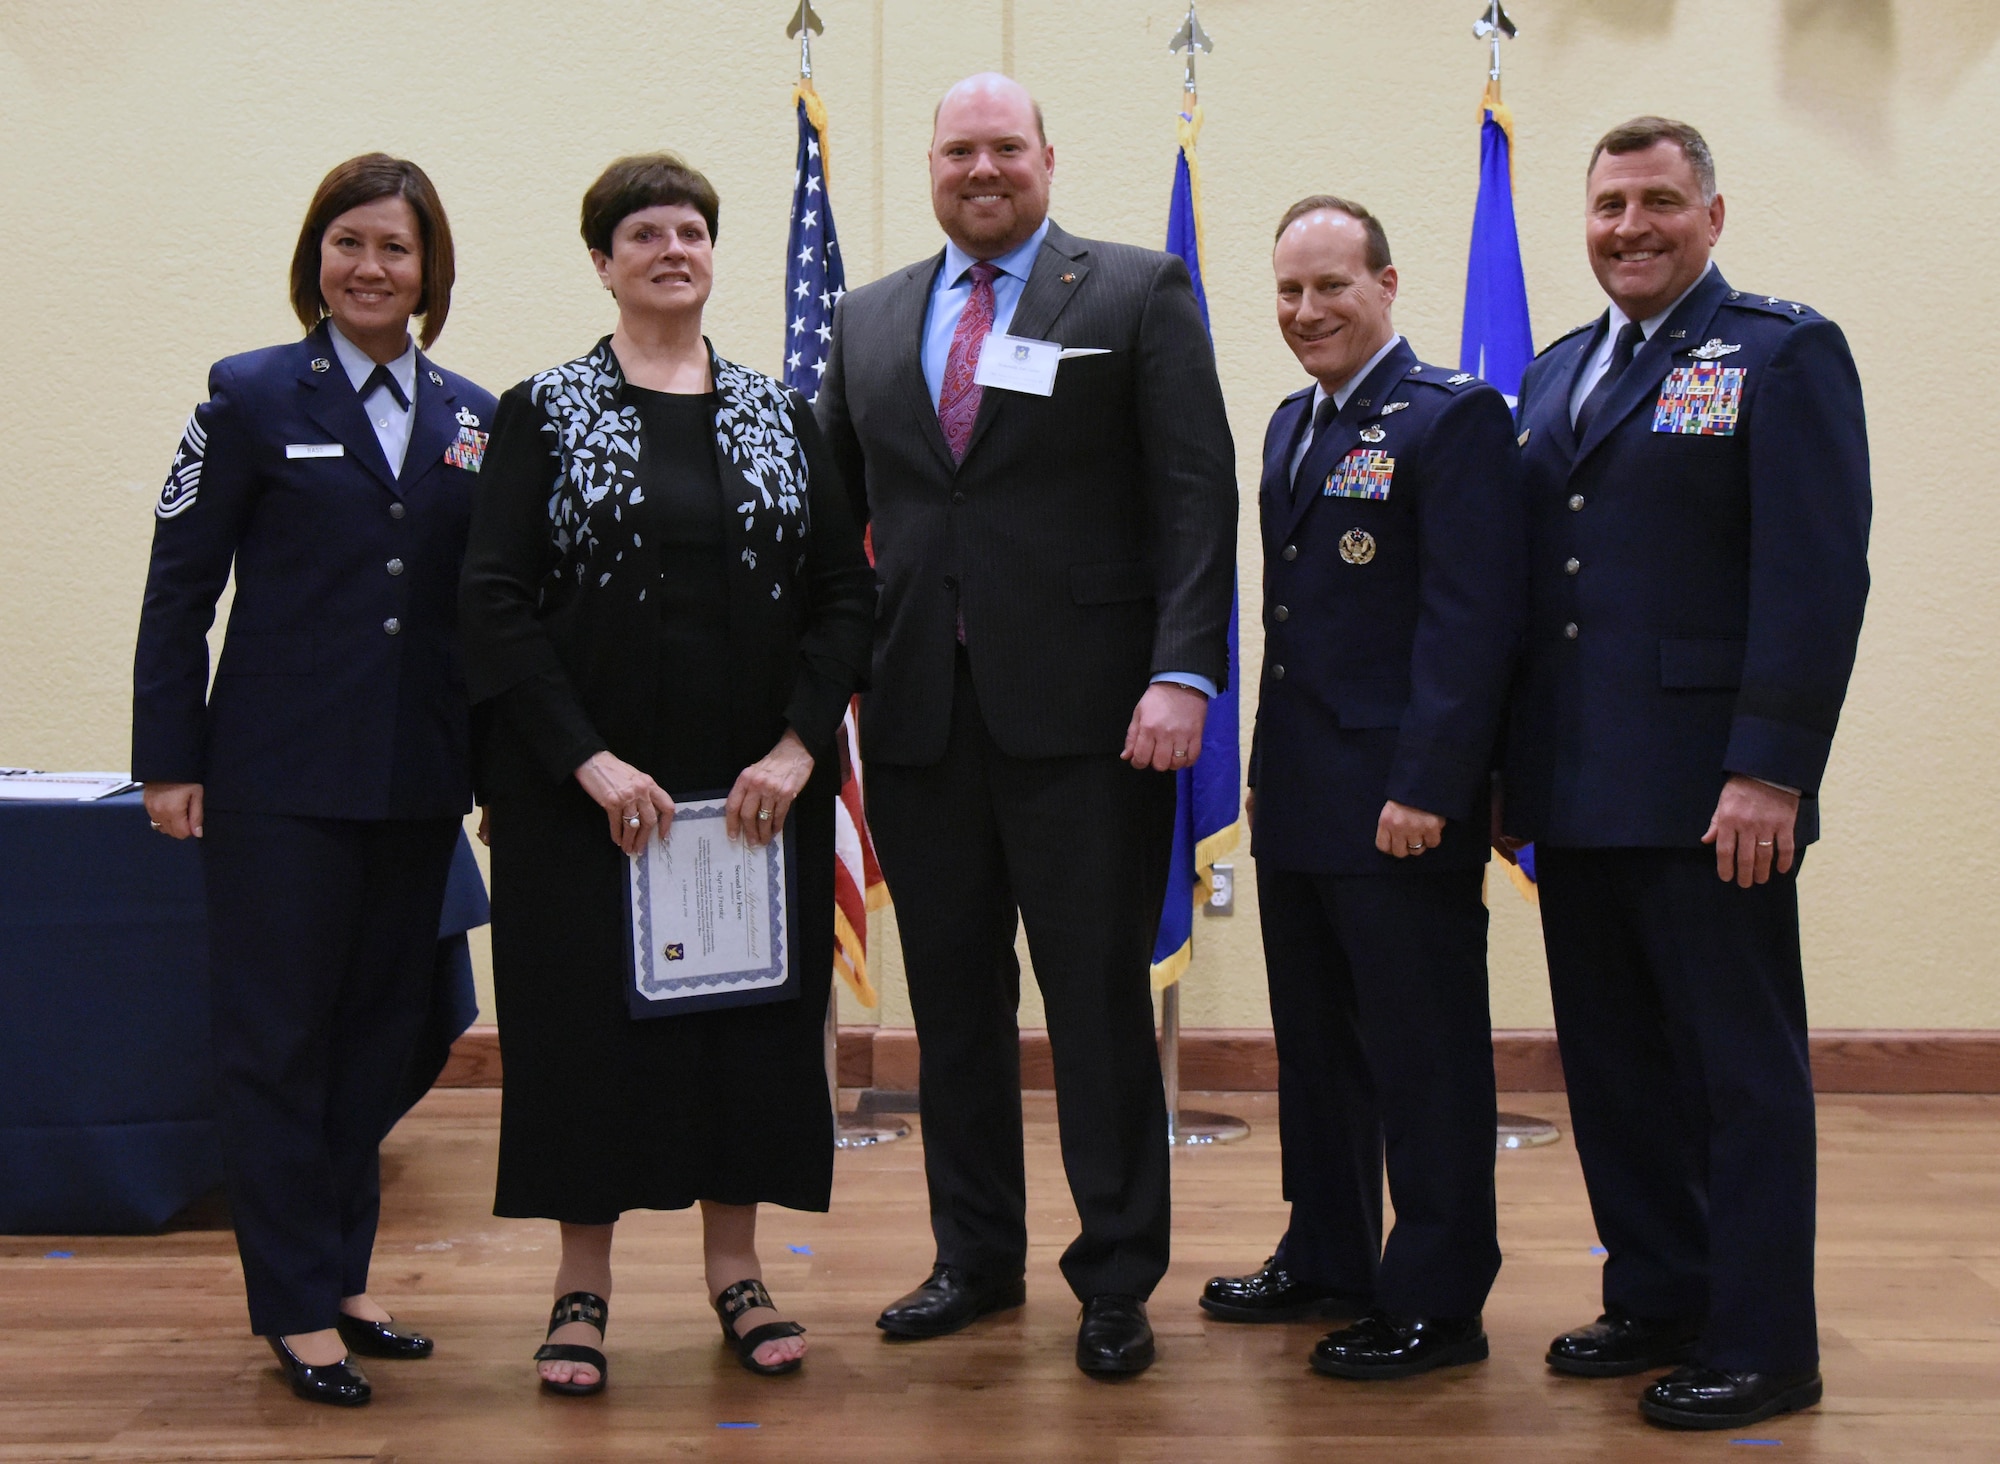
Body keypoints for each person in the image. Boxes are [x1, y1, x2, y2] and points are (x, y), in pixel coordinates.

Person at [816, 73, 1237, 1378]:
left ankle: (1115, 1277)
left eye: (1006, 147)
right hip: (921, 721)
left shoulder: (1132, 293)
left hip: (1092, 722)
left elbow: (1194, 494)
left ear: (1048, 159)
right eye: (959, 150)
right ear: (932, 167)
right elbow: (835, 530)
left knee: (1097, 1005)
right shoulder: (868, 317)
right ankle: (975, 1259)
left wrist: (1184, 673)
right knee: (952, 1006)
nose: (981, 168)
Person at [458, 153, 874, 1395]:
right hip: (585, 796)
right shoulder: (538, 410)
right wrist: (584, 761)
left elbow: (845, 594)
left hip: (751, 797)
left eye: (690, 228)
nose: (670, 248)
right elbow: (492, 600)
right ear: (603, 260)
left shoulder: (779, 412)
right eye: (643, 232)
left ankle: (735, 1273)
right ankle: (579, 1289)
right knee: (580, 1037)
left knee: (742, 1037)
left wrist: (801, 746)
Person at [1502, 117, 1871, 1431]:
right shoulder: (1552, 379)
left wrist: (1771, 765)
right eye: (1608, 204)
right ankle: (1659, 1293)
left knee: (1739, 1074)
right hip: (1579, 786)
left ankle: (1766, 1341)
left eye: (1660, 202)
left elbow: (1817, 577)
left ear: (1712, 218)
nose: (1630, 227)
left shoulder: (1781, 354)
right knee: (1614, 1066)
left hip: (1718, 792)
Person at [131, 154, 494, 1407]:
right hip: (275, 785)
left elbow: (475, 620)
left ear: (428, 270)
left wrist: (491, 768)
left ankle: (337, 1272)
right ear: (315, 258)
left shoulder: (470, 417)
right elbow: (182, 588)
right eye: (349, 243)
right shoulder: (245, 396)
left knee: (381, 1040)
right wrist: (170, 760)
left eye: (395, 248)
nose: (370, 268)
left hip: (414, 784)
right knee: (277, 1045)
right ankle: (293, 1306)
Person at [1202, 196, 1526, 1380]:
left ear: (1386, 284)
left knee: (1421, 1057)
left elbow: (1470, 618)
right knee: (1316, 1049)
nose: (1305, 312)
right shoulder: (1293, 423)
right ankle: (1327, 1251)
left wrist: (1433, 783)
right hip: (1298, 796)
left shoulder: (1451, 419)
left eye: (1329, 286)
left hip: (1400, 799)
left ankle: (1436, 1298)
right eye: (1287, 292)